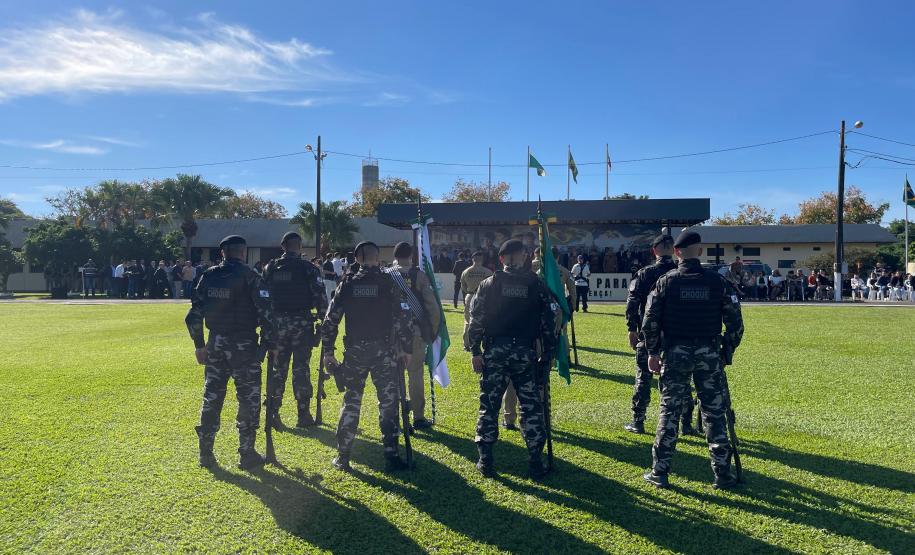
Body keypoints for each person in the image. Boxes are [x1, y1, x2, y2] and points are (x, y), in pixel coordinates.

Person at [641, 229, 744, 490]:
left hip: (675, 354)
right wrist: (725, 352)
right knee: (714, 413)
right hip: (709, 354)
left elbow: (649, 322)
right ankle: (722, 473)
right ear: (699, 251)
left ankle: (660, 471)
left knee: (670, 411)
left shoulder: (666, 282)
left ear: (676, 252)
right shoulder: (718, 282)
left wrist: (653, 353)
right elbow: (736, 324)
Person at [466, 239, 558, 480]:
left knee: (489, 405)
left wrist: (475, 350)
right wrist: (548, 353)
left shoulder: (489, 283)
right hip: (525, 354)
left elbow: (476, 320)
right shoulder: (536, 284)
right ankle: (535, 461)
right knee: (531, 406)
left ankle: (485, 459)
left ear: (502, 259)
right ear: (524, 257)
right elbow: (549, 321)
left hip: (496, 352)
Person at [185, 235, 280, 470]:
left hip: (216, 343)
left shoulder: (208, 277)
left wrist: (200, 345)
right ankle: (246, 453)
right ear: (243, 252)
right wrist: (272, 345)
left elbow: (193, 315)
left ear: (222, 253)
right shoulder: (251, 277)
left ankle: (205, 454)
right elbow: (268, 315)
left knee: (212, 398)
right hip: (244, 347)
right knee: (248, 399)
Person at [321, 241, 414, 473]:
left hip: (355, 352)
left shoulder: (348, 284)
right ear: (376, 258)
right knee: (389, 402)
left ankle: (343, 457)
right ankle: (392, 456)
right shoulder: (389, 283)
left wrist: (328, 351)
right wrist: (406, 349)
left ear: (357, 259)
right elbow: (404, 317)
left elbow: (330, 320)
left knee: (351, 402)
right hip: (384, 351)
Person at [623, 234, 690, 435]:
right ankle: (685, 424)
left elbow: (632, 303)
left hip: (649, 333)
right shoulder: (682, 273)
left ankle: (638, 421)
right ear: (673, 250)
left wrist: (632, 329)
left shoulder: (645, 274)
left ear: (654, 250)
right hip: (677, 335)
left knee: (643, 377)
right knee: (681, 380)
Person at [262, 232, 330, 429]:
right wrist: (323, 321)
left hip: (277, 325)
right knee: (301, 369)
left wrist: (266, 324)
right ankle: (303, 414)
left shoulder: (270, 268)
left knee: (278, 369)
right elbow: (320, 296)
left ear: (283, 246)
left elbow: (263, 296)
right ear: (300, 247)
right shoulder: (309, 268)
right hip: (302, 324)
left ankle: (273, 411)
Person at [387, 241, 442, 430]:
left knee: (394, 377)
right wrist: (433, 331)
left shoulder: (385, 275)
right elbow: (432, 307)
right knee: (415, 375)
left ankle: (396, 416)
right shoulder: (419, 275)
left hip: (391, 335)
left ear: (394, 256)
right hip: (415, 332)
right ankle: (418, 417)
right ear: (411, 256)